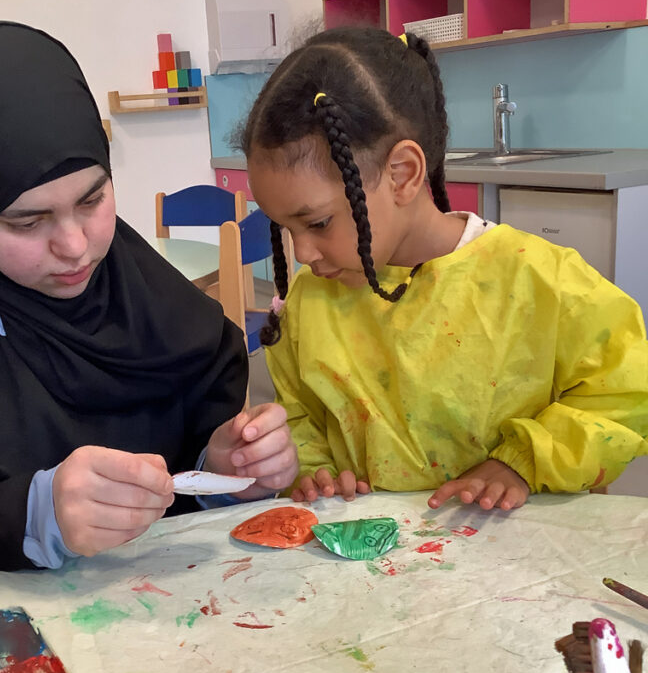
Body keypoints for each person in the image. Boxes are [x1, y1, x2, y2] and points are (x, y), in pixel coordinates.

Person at [0, 21, 298, 599]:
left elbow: (195, 440)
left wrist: (221, 468)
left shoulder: (139, 289)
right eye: (26, 222)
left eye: (94, 199)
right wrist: (26, 516)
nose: (75, 247)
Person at [239, 26, 648, 510]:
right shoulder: (311, 301)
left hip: (511, 561)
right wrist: (311, 471)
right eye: (284, 228)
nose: (301, 253)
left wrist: (521, 460)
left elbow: (623, 392)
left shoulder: (535, 279)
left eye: (319, 222)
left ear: (403, 174)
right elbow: (299, 415)